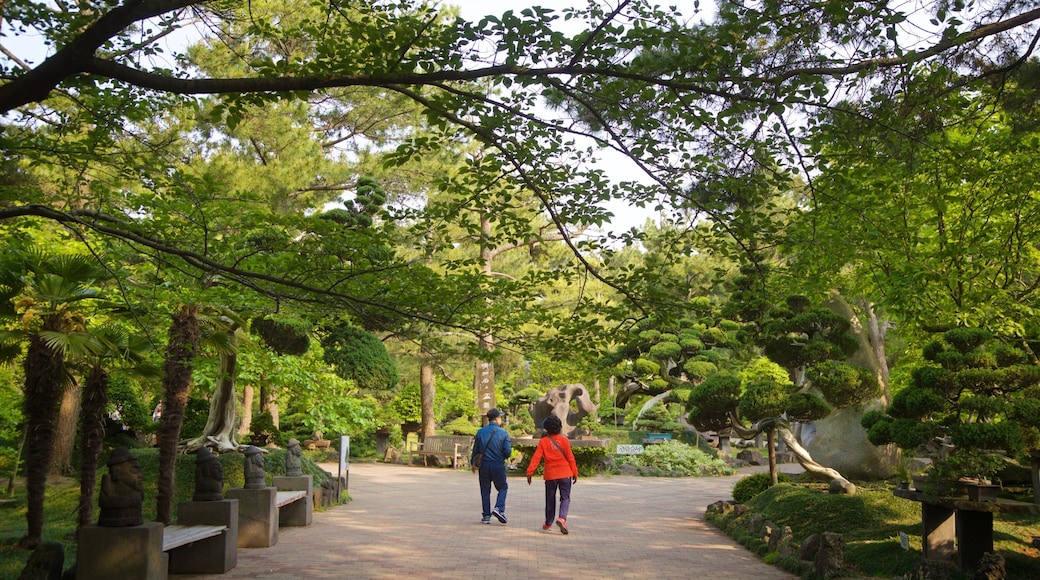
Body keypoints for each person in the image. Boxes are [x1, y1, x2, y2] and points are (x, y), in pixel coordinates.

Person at [526, 415, 578, 534]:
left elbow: (536, 458)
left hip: (550, 475)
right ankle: (562, 518)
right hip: (565, 474)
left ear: (546, 429)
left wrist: (530, 472)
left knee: (550, 499)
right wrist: (574, 472)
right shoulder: (565, 440)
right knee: (565, 498)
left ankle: (548, 523)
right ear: (559, 427)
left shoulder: (543, 441)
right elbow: (570, 458)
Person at [471, 408, 512, 524]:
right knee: (503, 487)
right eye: (500, 417)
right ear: (497, 418)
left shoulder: (481, 432)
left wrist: (473, 463)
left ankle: (486, 516)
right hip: (498, 465)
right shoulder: (503, 433)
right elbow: (507, 451)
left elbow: (476, 450)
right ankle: (499, 508)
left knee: (485, 490)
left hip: (484, 465)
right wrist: (502, 456)